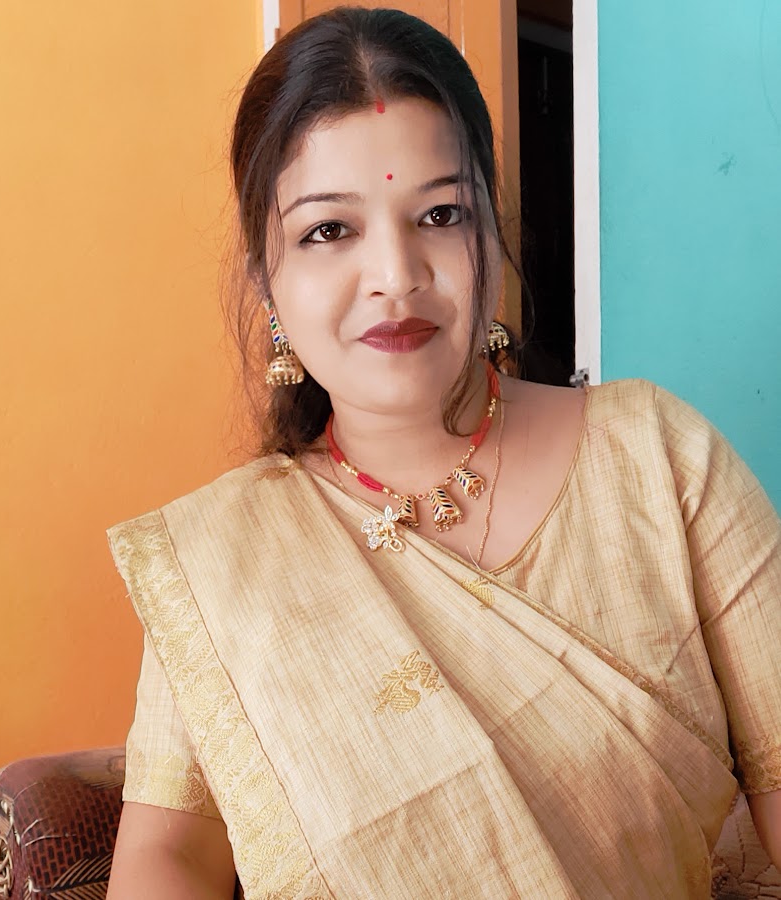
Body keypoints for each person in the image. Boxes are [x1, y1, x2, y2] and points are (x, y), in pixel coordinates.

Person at [105, 8, 780, 898]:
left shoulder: (658, 459)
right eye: (329, 230)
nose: (396, 274)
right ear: (266, 278)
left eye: (438, 213)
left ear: (491, 234)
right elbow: (168, 856)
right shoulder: (225, 560)